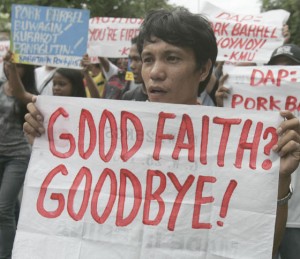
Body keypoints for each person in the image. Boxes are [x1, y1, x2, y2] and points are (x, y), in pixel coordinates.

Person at [24, 8, 300, 256]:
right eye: (147, 59)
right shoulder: (109, 134)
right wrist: (47, 148)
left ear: (203, 69)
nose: (155, 72)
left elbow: (258, 244)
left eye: (172, 58)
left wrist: (278, 181)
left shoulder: (234, 147)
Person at [0, 51, 38, 259]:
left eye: (18, 66)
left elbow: (18, 92)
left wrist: (12, 70)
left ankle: (6, 255)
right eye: (8, 65)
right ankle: (17, 242)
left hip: (17, 157)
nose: (10, 68)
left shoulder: (30, 95)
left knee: (2, 209)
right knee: (9, 207)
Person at [267, 43, 300, 259]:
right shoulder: (252, 104)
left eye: (290, 69)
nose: (282, 74)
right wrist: (227, 103)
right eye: (276, 68)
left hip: (297, 219)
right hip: (263, 215)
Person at [122, 36, 148, 101]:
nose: (131, 66)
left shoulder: (169, 98)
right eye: (131, 59)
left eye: (136, 59)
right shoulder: (128, 97)